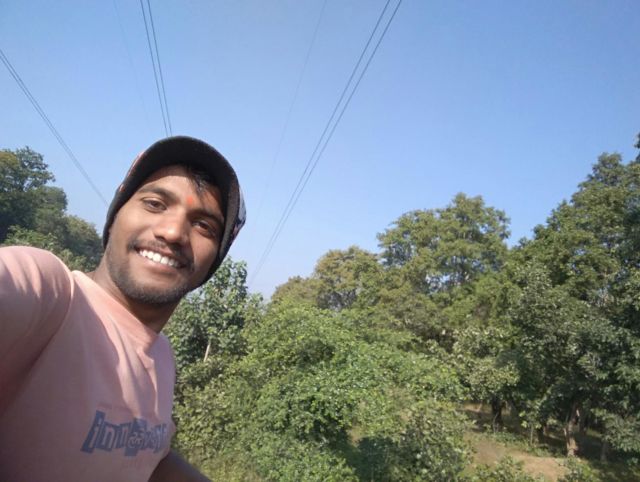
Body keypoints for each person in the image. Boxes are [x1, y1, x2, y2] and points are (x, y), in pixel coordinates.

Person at [0, 136, 246, 481]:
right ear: (116, 215)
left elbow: (149, 456)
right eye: (155, 204)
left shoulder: (162, 356)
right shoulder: (53, 295)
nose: (173, 232)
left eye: (204, 225)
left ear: (213, 263)